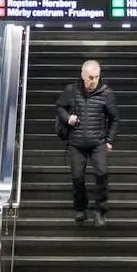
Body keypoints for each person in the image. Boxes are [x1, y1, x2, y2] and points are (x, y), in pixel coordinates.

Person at [55, 59, 118, 226]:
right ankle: (81, 209)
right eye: (90, 77)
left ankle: (100, 210)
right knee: (77, 178)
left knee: (102, 174)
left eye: (97, 77)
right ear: (82, 75)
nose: (94, 81)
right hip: (76, 142)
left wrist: (109, 140)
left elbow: (114, 119)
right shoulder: (71, 90)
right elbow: (60, 107)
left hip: (98, 142)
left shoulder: (106, 93)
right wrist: (68, 118)